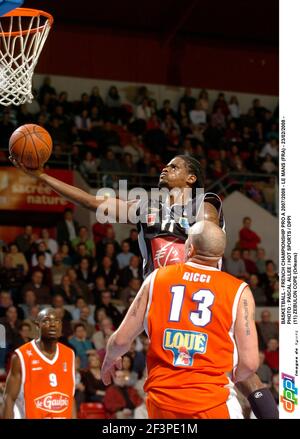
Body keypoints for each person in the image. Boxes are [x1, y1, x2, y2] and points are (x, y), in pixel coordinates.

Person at [10, 153, 277, 418]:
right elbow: (92, 202)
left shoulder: (206, 203)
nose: (165, 168)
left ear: (191, 178)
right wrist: (43, 177)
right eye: (166, 164)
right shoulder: (145, 208)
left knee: (244, 374)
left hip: (203, 299)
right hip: (164, 301)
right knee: (183, 378)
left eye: (174, 167)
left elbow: (208, 233)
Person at [101, 221, 259, 419]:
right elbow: (250, 363)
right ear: (220, 254)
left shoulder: (157, 278)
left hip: (162, 403)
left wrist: (110, 358)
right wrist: (231, 377)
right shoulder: (238, 290)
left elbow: (121, 341)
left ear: (190, 248)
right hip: (212, 402)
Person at [3, 308, 76, 419]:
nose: (52, 324)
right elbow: (8, 398)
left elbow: (70, 397)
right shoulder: (21, 356)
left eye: (56, 321)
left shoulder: (69, 354)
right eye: (46, 320)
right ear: (37, 326)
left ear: (61, 326)